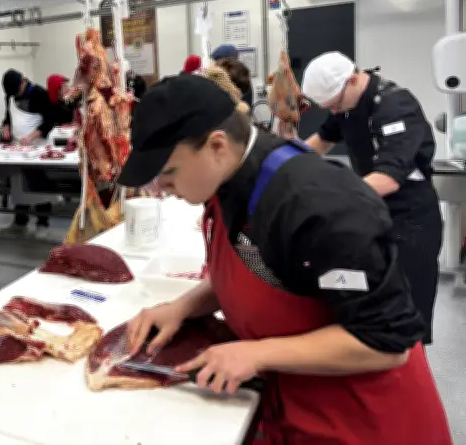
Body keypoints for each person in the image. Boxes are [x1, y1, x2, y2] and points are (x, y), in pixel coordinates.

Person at [118, 75, 451, 444]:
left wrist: (258, 353)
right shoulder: (226, 179)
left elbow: (390, 344)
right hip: (299, 406)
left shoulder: (318, 206)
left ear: (217, 146)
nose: (161, 190)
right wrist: (183, 306)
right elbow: (256, 267)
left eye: (168, 175)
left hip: (366, 420)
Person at [302, 52, 442, 346]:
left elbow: (388, 178)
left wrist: (332, 198)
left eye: (335, 104)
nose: (335, 111)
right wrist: (282, 164)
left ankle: (412, 379)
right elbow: (323, 139)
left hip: (411, 218)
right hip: (373, 209)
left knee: (408, 307)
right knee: (374, 298)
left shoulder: (396, 105)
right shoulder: (346, 103)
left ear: (353, 80)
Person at [0, 69, 58, 238]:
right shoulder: (10, 96)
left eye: (17, 91)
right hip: (20, 148)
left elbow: (49, 121)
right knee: (18, 185)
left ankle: (42, 222)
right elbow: (8, 116)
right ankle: (20, 221)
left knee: (39, 185)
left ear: (23, 82)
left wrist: (32, 136)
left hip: (39, 146)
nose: (16, 95)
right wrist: (6, 126)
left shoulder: (39, 94)